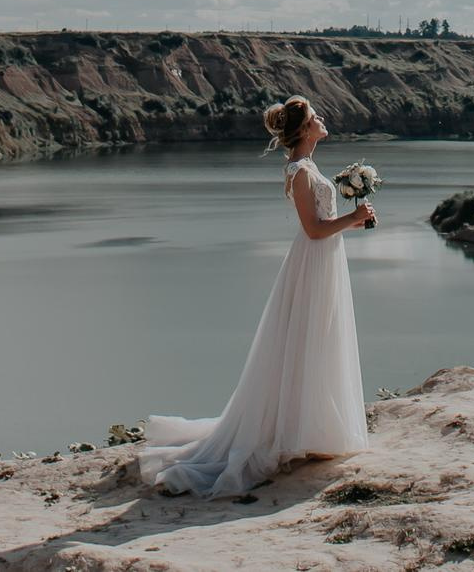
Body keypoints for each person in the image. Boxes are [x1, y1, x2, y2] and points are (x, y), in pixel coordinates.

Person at [135, 95, 377, 497]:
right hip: (312, 263)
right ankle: (295, 432)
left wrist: (356, 222)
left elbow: (323, 226)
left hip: (325, 261)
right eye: (316, 116)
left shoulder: (311, 167)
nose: (322, 119)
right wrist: (351, 218)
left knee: (320, 340)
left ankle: (313, 429)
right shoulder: (300, 171)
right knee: (307, 340)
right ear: (303, 129)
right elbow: (313, 230)